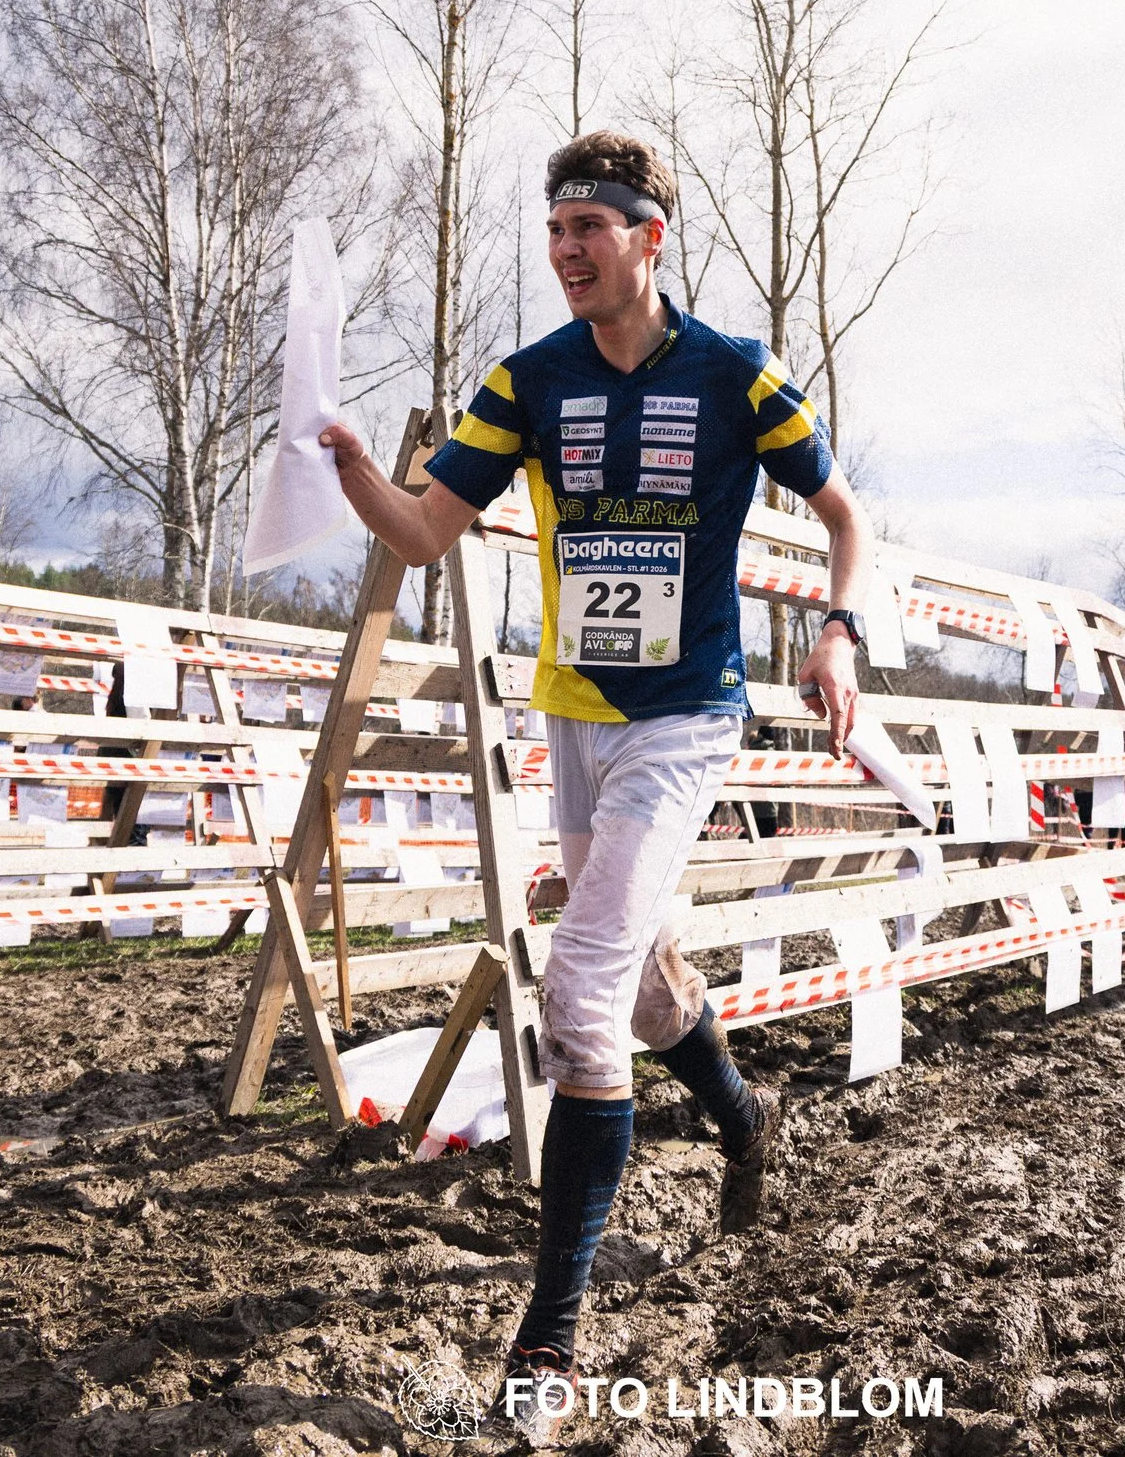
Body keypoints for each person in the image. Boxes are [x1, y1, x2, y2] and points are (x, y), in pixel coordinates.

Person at [314, 131, 871, 1441]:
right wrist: (351, 471)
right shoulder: (531, 380)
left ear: (649, 237)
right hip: (573, 720)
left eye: (592, 229)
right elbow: (427, 530)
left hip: (686, 717)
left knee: (579, 990)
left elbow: (845, 513)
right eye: (555, 229)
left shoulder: (738, 377)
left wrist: (839, 630)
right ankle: (745, 1115)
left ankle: (551, 1331)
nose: (567, 250)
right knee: (647, 977)